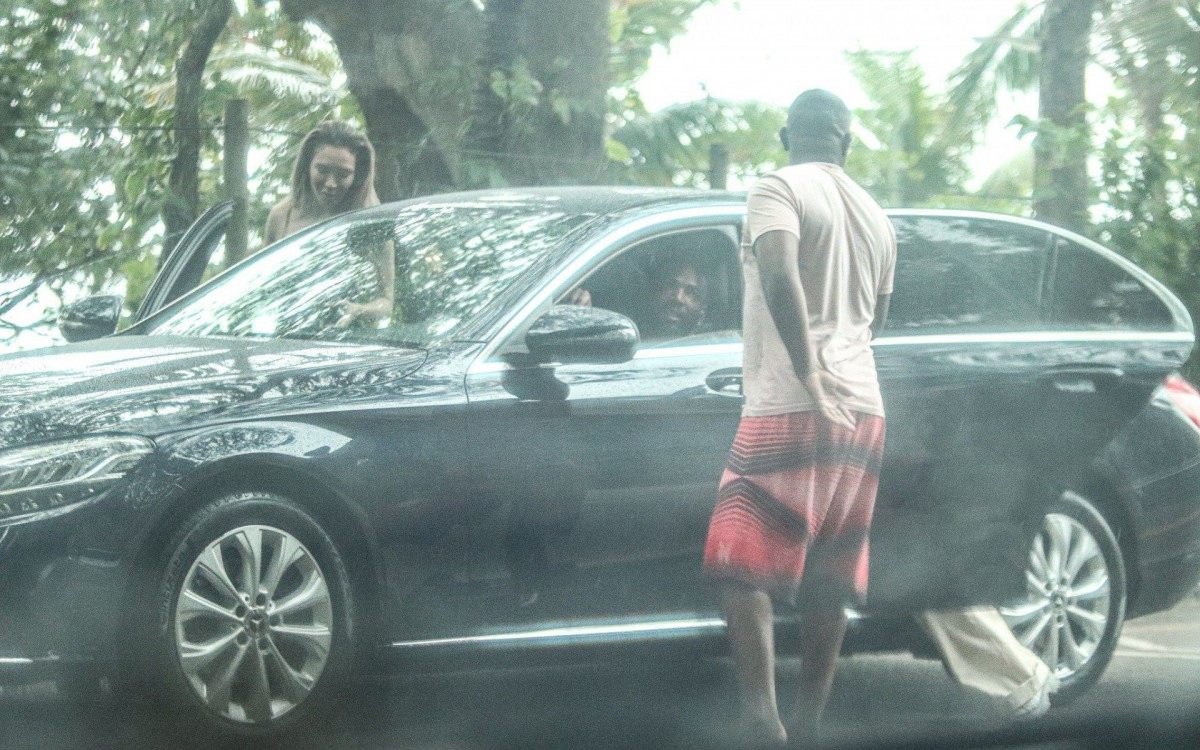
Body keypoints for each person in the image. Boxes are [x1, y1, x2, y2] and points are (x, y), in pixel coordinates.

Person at [702, 89, 895, 747]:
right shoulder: (876, 215)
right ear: (848, 138)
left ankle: (762, 717)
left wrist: (810, 373)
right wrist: (836, 368)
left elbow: (781, 274)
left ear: (788, 134)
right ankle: (811, 719)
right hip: (863, 410)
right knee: (830, 573)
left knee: (738, 560)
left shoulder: (775, 188)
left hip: (792, 401)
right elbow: (878, 319)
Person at [266, 120, 394, 328]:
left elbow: (387, 302)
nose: (330, 184)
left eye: (343, 174)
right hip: (287, 341)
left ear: (358, 174)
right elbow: (265, 289)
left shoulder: (373, 223)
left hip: (353, 346)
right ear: (307, 166)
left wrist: (359, 310)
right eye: (322, 170)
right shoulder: (281, 216)